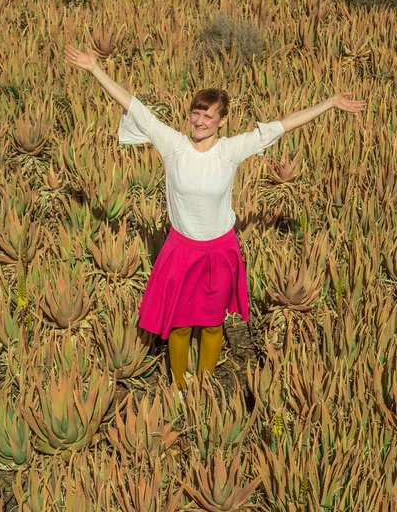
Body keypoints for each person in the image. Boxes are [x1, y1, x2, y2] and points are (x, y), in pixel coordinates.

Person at [64, 44, 367, 397]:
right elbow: (135, 108)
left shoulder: (230, 150)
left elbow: (282, 126)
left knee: (211, 325)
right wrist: (95, 69)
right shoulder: (173, 145)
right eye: (196, 113)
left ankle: (204, 385)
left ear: (221, 121)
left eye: (208, 116)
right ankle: (179, 386)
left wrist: (329, 103)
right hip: (180, 251)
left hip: (219, 251)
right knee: (177, 327)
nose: (200, 121)